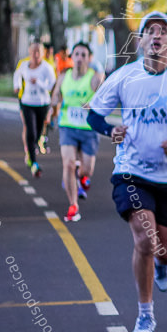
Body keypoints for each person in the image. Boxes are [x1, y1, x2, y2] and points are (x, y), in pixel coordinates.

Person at [87, 12, 167, 332]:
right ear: (140, 41)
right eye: (149, 31)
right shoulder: (124, 77)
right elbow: (94, 114)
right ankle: (145, 315)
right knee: (144, 240)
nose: (156, 36)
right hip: (131, 172)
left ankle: (164, 264)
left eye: (163, 31)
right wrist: (111, 129)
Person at [50, 42, 104, 222]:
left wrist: (94, 104)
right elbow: (56, 95)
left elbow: (105, 98)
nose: (80, 58)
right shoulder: (63, 77)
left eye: (83, 55)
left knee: (87, 170)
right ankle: (73, 205)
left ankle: (82, 177)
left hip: (89, 129)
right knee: (69, 164)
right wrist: (53, 106)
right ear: (72, 57)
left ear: (89, 58)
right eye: (77, 54)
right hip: (68, 127)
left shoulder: (94, 78)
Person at [13, 43, 57, 177]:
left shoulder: (47, 68)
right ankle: (33, 162)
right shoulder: (24, 65)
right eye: (33, 52)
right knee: (30, 131)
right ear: (29, 52)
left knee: (38, 132)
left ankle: (32, 151)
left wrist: (38, 83)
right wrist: (17, 86)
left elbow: (52, 84)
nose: (36, 54)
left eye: (38, 52)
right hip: (27, 102)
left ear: (43, 53)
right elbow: (17, 75)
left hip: (42, 103)